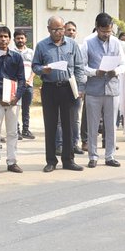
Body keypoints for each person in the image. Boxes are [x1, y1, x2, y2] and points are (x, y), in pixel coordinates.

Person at [33, 15, 86, 172]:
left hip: (67, 87)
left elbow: (79, 67)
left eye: (61, 29)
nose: (59, 32)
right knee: (50, 125)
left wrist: (80, 87)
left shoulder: (72, 45)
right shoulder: (42, 46)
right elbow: (35, 65)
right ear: (49, 29)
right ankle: (51, 160)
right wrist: (43, 69)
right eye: (55, 29)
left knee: (68, 124)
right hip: (49, 88)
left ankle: (68, 160)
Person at [83, 12, 125, 168]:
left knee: (111, 125)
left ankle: (110, 156)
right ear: (97, 28)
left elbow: (123, 63)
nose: (106, 34)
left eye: (109, 31)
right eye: (103, 31)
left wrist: (117, 71)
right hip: (94, 89)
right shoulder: (87, 42)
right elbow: (82, 66)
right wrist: (95, 72)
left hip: (112, 88)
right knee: (93, 125)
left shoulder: (116, 42)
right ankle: (93, 156)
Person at [0, 26, 25, 175]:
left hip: (14, 99)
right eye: (0, 36)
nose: (3, 39)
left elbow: (21, 79)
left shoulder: (16, 57)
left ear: (10, 39)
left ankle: (12, 162)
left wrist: (17, 96)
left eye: (6, 37)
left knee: (13, 132)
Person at [55, 20, 86, 155]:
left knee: (75, 118)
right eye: (68, 30)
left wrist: (81, 88)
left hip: (74, 86)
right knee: (60, 119)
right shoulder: (55, 46)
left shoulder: (76, 46)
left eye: (73, 30)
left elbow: (80, 68)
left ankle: (75, 144)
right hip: (59, 85)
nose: (71, 32)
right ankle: (59, 145)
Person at [11, 28, 35, 139]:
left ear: (26, 39)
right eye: (18, 38)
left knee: (26, 108)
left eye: (22, 38)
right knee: (15, 108)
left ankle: (26, 130)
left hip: (28, 85)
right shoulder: (11, 52)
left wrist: (30, 79)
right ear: (14, 39)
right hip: (16, 85)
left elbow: (35, 68)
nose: (20, 40)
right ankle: (17, 131)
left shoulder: (31, 52)